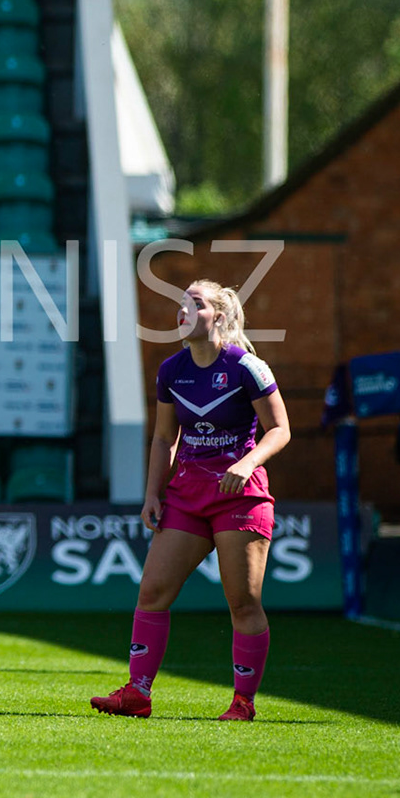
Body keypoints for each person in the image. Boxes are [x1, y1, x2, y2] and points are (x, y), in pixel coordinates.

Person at [93, 279, 291, 722]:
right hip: (186, 495)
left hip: (238, 495)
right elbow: (165, 435)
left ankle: (242, 702)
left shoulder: (247, 367)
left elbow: (281, 429)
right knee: (152, 592)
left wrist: (246, 463)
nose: (182, 311)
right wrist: (152, 493)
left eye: (194, 304)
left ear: (218, 317)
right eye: (181, 304)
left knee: (243, 602)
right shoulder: (171, 369)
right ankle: (137, 693)